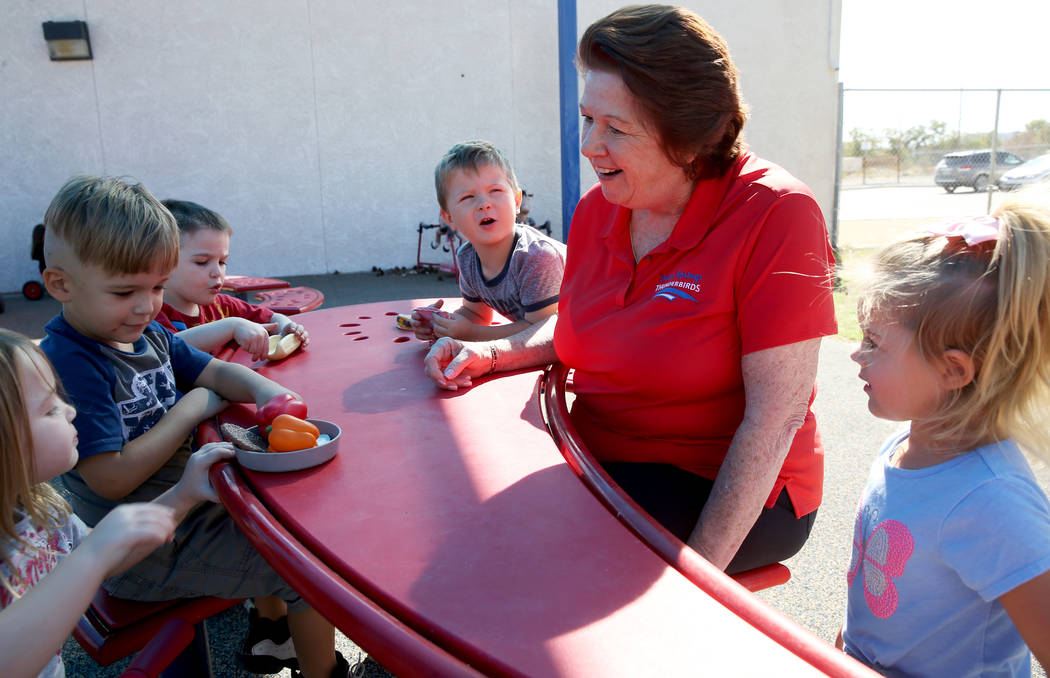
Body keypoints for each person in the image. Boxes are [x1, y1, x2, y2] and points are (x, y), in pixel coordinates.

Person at [423, 5, 837, 574]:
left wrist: (697, 586)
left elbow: (775, 417)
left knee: (528, 566)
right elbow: (571, 333)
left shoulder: (776, 214)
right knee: (449, 518)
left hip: (724, 483)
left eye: (616, 129)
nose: (591, 145)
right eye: (588, 119)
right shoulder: (599, 209)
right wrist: (490, 353)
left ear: (692, 138)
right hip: (599, 456)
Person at [38, 176, 351, 678]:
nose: (147, 306)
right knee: (305, 571)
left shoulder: (146, 333)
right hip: (142, 548)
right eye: (125, 291)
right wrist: (194, 407)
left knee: (292, 521)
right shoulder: (73, 362)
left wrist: (269, 393)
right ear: (60, 285)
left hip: (186, 509)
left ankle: (270, 638)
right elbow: (110, 478)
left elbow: (215, 370)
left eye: (158, 287)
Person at [840, 203, 1050, 676]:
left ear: (952, 369)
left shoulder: (993, 502)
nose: (856, 353)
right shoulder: (901, 449)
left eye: (874, 341)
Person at [0, 329, 237, 678]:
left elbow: (108, 559)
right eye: (50, 408)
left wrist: (183, 494)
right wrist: (93, 553)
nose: (70, 411)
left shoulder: (42, 511)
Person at [410, 140, 566, 342]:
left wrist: (471, 334)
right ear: (448, 218)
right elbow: (476, 314)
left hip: (604, 331)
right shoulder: (467, 257)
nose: (484, 204)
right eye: (467, 197)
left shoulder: (537, 257)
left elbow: (540, 334)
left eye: (495, 191)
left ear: (517, 201)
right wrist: (441, 324)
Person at [154, 199, 308, 362]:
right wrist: (231, 327)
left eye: (222, 262)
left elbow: (270, 318)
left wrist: (286, 328)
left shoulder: (223, 306)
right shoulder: (152, 313)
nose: (217, 272)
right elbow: (170, 350)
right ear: (163, 262)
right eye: (202, 262)